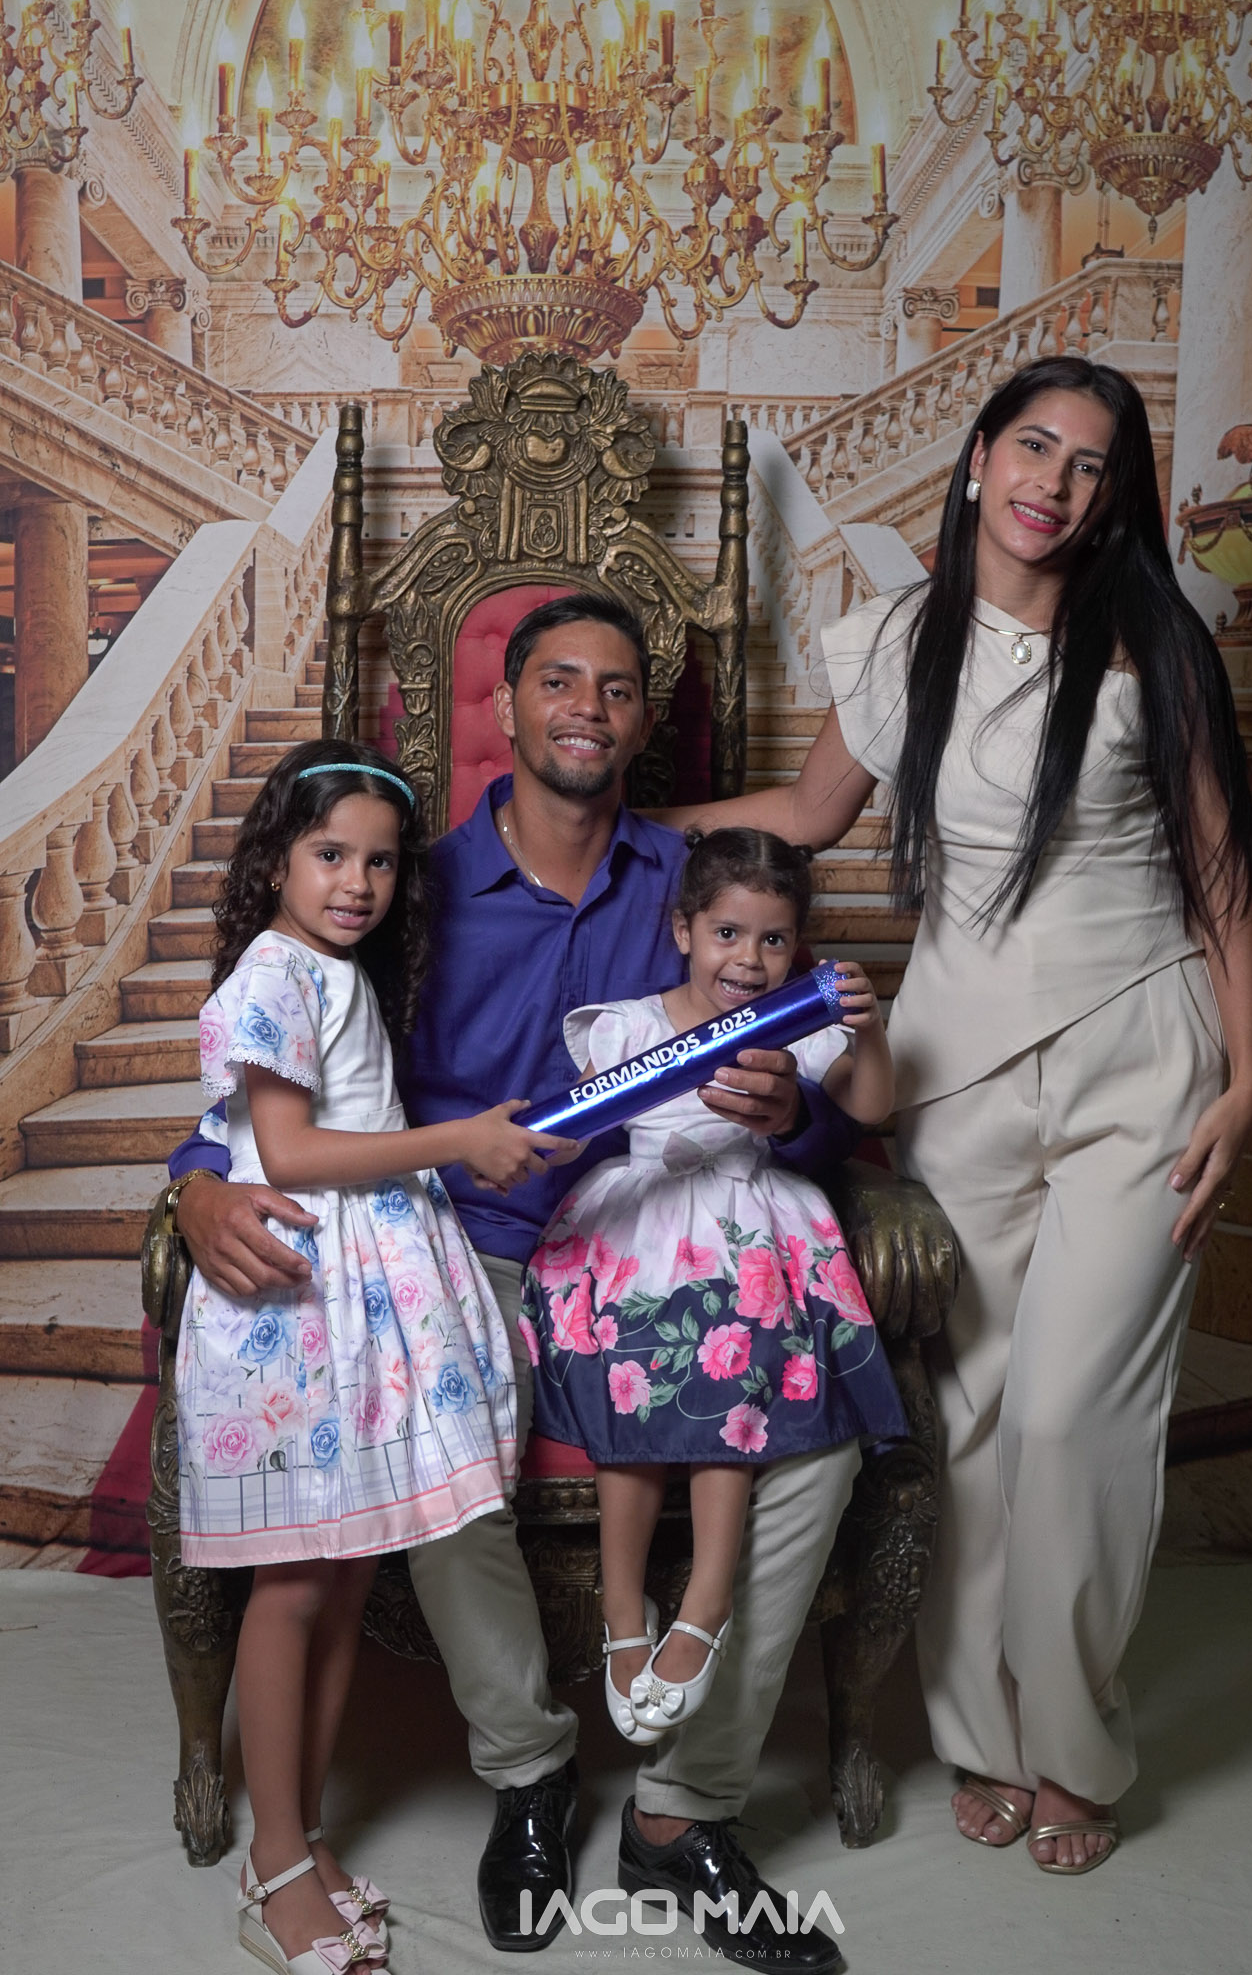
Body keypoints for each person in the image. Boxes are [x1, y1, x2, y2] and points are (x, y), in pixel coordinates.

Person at [168, 596, 857, 1974]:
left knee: (820, 1439)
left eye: (616, 687)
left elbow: (817, 1076)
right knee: (442, 1427)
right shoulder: (404, 882)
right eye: (558, 680)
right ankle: (530, 1765)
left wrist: (793, 1109)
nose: (585, 708)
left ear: (641, 721)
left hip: (646, 1236)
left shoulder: (691, 883)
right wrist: (195, 1183)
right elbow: (282, 1074)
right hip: (456, 1243)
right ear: (506, 704)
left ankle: (682, 1804)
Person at [667, 357, 1252, 1876]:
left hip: (1143, 1049)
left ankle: (1077, 1747)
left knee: (1076, 1417)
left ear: (1112, 497)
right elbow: (808, 818)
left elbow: (1219, 866)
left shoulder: (1153, 642)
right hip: (959, 1064)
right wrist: (599, 827)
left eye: (1089, 463)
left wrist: (1251, 1072)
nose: (1053, 483)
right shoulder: (896, 638)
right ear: (981, 455)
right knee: (978, 1423)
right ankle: (981, 1739)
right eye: (1033, 446)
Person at [178, 741, 578, 1974]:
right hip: (303, 1303)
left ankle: (301, 1836)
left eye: (382, 862)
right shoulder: (273, 969)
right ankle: (273, 1859)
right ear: (276, 861)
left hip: (371, 1300)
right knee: (295, 1582)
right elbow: (291, 1152)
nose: (357, 882)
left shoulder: (337, 971)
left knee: (348, 1574)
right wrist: (458, 1139)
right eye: (329, 854)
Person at [521, 826, 906, 1744]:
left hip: (746, 1224)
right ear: (683, 929)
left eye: (773, 939)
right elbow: (574, 1125)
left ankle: (705, 1600)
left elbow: (871, 1107)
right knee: (630, 1370)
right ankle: (623, 1611)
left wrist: (869, 1031)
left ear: (797, 946)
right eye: (727, 933)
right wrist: (534, 1144)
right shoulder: (628, 1025)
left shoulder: (798, 1028)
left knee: (728, 1363)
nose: (748, 959)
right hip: (642, 1218)